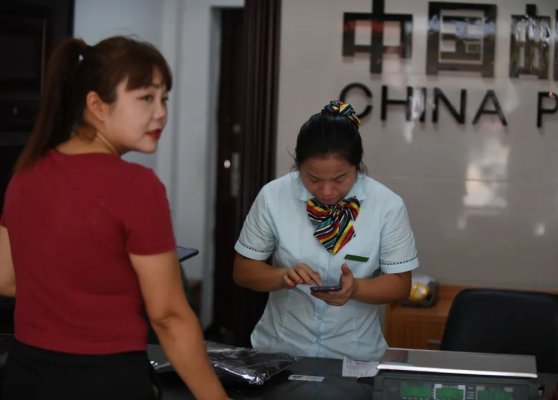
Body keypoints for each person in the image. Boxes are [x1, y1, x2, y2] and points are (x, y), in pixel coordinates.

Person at [0, 36, 228, 399]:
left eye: (164, 98)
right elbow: (168, 316)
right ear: (97, 105)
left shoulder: (24, 175)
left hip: (24, 375)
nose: (161, 113)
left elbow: (6, 279)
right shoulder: (137, 186)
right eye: (146, 97)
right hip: (105, 379)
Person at [233, 100, 419, 361]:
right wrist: (282, 276)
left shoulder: (387, 205)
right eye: (313, 179)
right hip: (281, 350)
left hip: (355, 354)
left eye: (340, 178)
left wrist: (355, 289)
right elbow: (243, 271)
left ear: (357, 166)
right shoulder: (273, 196)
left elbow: (400, 284)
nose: (327, 191)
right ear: (298, 165)